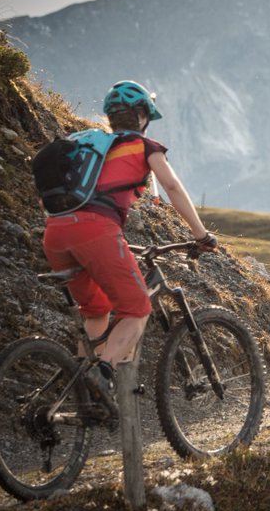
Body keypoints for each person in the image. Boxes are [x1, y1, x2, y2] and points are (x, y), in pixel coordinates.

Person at [42, 81, 217, 384]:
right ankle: (101, 373)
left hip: (55, 233)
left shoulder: (85, 146)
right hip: (96, 232)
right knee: (137, 308)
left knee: (95, 309)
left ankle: (84, 391)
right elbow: (172, 187)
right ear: (142, 117)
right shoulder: (145, 146)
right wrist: (201, 235)